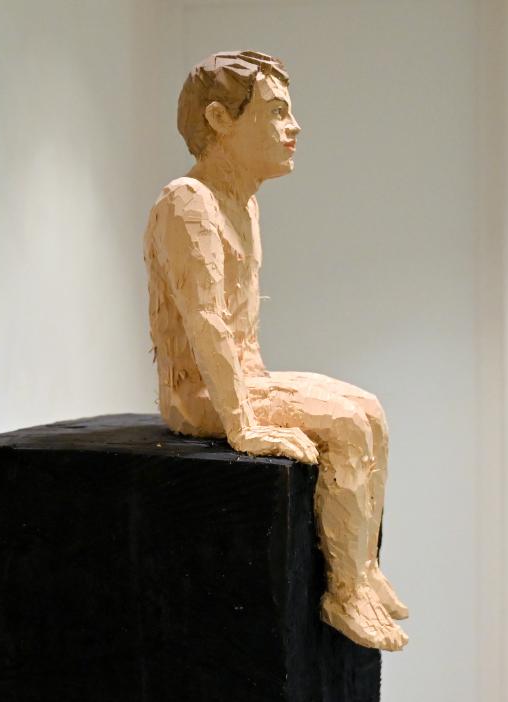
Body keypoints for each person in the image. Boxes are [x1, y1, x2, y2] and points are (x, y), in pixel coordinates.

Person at [143, 51, 409, 651]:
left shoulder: (242, 202)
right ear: (220, 119)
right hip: (199, 397)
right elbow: (207, 322)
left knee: (369, 410)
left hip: (243, 380)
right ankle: (344, 593)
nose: (294, 127)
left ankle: (363, 569)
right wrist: (243, 425)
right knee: (346, 425)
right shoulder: (188, 202)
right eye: (276, 113)